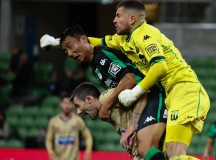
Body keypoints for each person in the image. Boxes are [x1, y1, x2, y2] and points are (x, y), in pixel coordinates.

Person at [42, 26, 167, 160]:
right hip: (142, 102)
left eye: (70, 46)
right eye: (65, 51)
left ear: (84, 39)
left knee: (145, 148)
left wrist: (107, 105)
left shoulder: (100, 56)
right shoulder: (94, 67)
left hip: (153, 95)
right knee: (160, 153)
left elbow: (129, 79)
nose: (70, 54)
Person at [46, 94, 93, 160]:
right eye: (65, 103)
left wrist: (88, 152)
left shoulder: (78, 120)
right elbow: (49, 140)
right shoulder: (53, 121)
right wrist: (51, 152)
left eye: (69, 103)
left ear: (73, 105)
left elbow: (88, 137)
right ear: (61, 104)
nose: (67, 106)